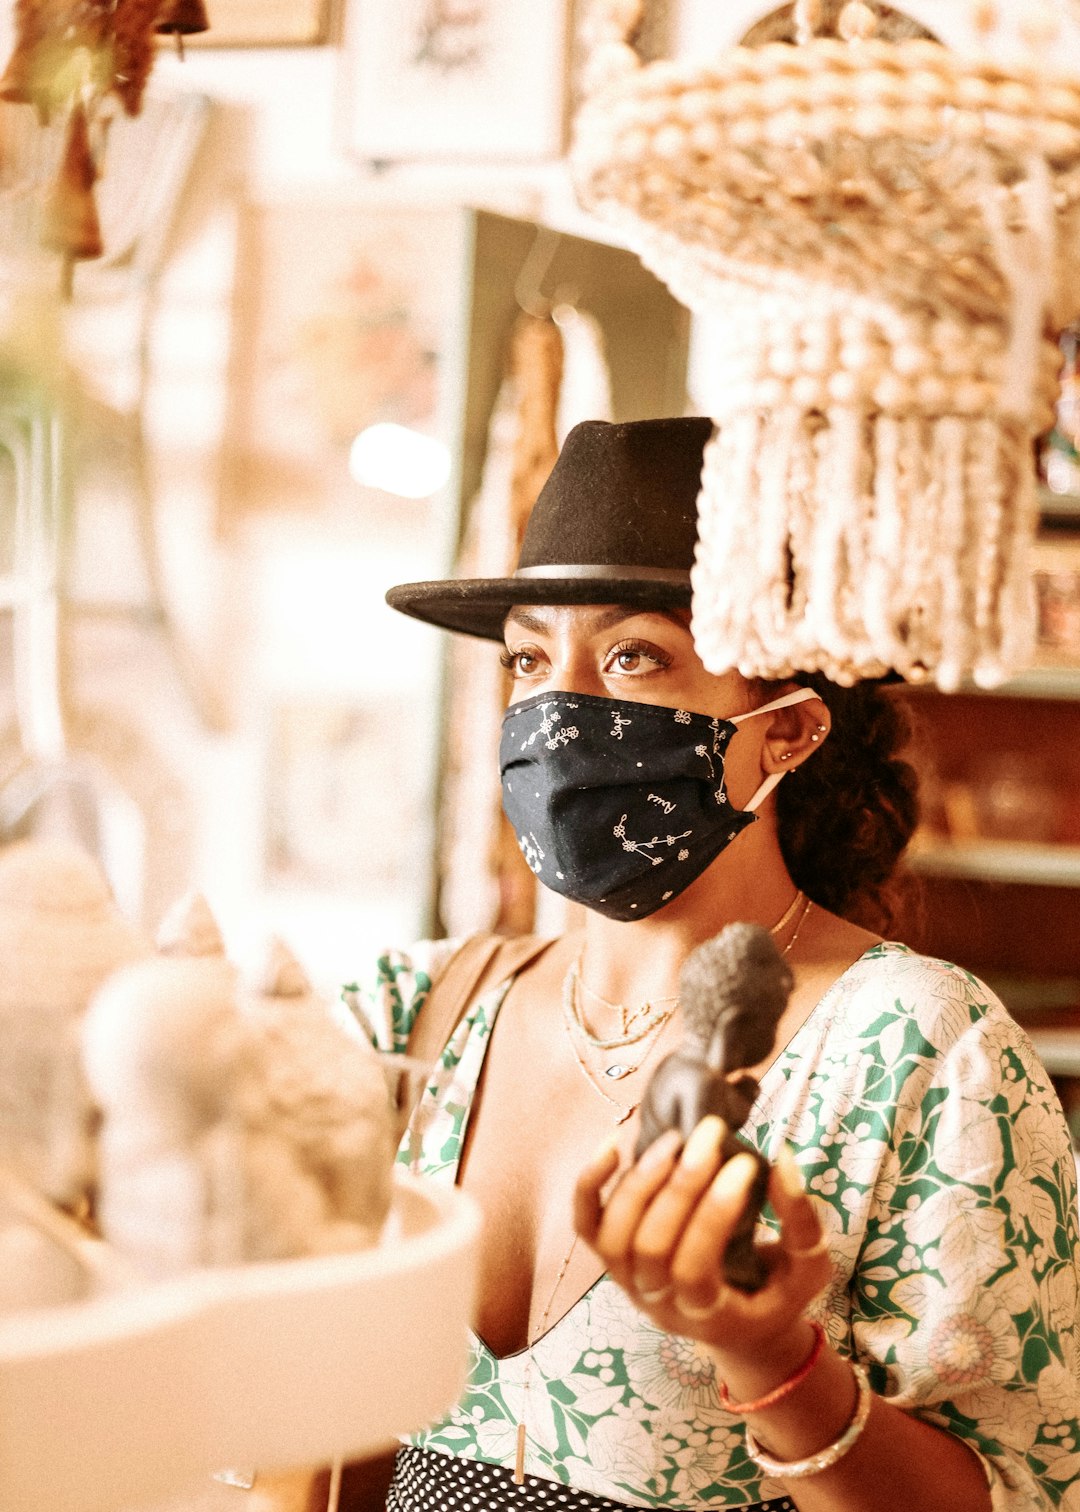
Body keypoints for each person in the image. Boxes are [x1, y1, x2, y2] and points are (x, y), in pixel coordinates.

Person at [340, 418, 1080, 1512]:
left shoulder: (923, 1052)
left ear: (785, 734)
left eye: (634, 654)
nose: (556, 709)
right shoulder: (417, 1015)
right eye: (530, 658)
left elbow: (1022, 1497)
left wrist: (772, 1357)